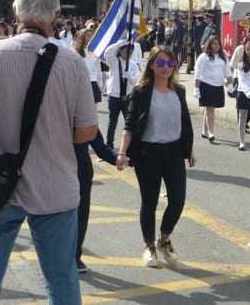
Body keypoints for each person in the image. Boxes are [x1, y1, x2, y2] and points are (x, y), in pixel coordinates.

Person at [0, 0, 98, 304]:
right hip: (55, 189)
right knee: (62, 283)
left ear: (15, 11)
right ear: (55, 16)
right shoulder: (72, 63)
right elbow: (87, 132)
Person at [116, 46, 195, 267]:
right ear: (151, 65)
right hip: (148, 153)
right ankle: (149, 246)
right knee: (149, 202)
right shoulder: (141, 91)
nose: (165, 68)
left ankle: (164, 238)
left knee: (178, 200)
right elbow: (130, 125)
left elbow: (185, 122)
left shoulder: (179, 91)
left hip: (173, 152)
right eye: (160, 63)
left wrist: (189, 150)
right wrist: (122, 153)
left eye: (170, 63)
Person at [72, 29, 118, 273]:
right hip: (53, 172)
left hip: (80, 172)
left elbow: (97, 142)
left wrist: (120, 158)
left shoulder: (83, 107)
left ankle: (75, 254)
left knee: (80, 215)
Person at [103, 40, 141, 148]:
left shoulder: (133, 65)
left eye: (131, 52)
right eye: (126, 51)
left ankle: (130, 146)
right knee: (112, 122)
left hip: (127, 97)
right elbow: (107, 53)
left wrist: (129, 76)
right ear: (120, 51)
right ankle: (109, 145)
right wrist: (121, 42)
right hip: (114, 96)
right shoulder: (115, 61)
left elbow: (136, 81)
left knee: (129, 123)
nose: (128, 54)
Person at [195, 36, 231, 143]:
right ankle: (211, 132)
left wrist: (229, 84)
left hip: (218, 86)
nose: (216, 46)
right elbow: (198, 73)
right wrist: (196, 88)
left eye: (218, 44)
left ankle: (204, 130)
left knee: (210, 108)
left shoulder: (223, 57)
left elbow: (227, 72)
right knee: (210, 109)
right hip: (206, 85)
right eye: (214, 43)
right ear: (209, 45)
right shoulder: (203, 57)